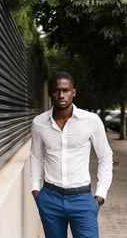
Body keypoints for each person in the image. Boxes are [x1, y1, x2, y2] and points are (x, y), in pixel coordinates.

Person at [30, 71, 113, 238]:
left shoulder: (91, 120)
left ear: (73, 92)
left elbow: (105, 157)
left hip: (82, 199)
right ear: (50, 93)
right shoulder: (39, 123)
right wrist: (35, 191)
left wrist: (100, 196)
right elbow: (36, 157)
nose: (61, 95)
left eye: (66, 90)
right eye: (57, 90)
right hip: (50, 198)